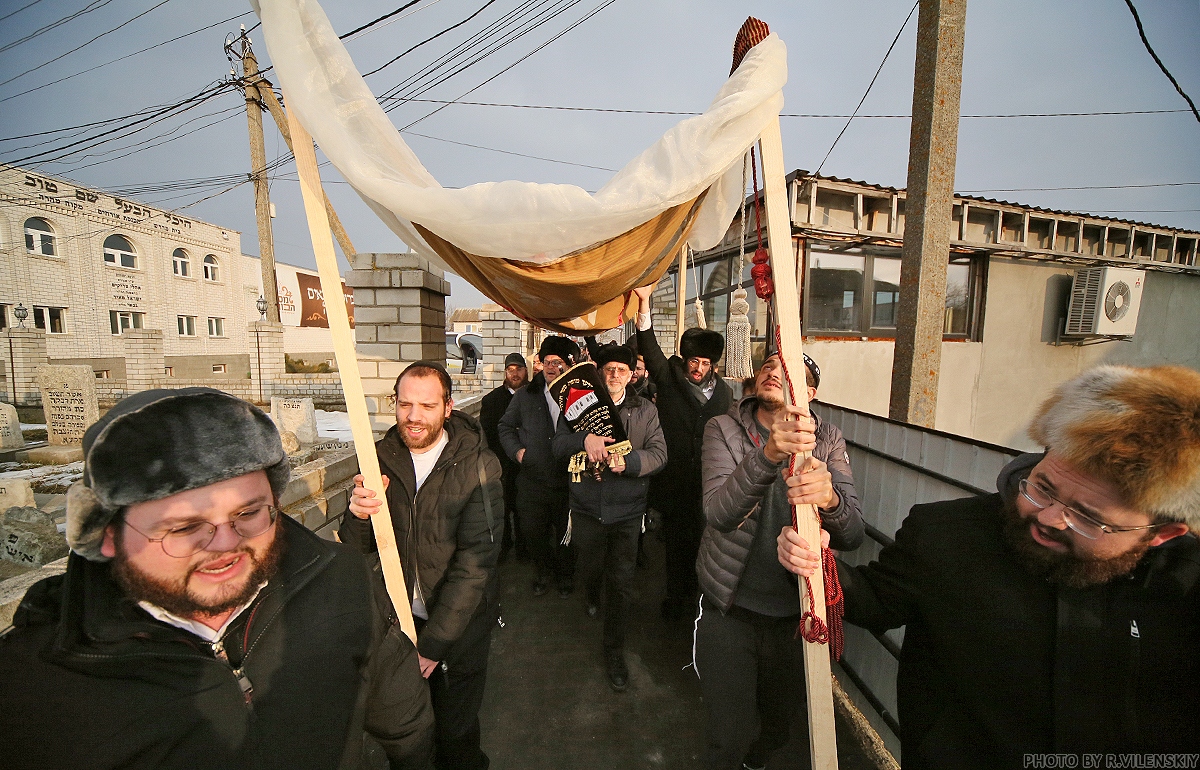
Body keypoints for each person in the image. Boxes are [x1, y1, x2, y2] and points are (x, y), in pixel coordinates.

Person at [778, 364, 1200, 767]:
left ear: (1161, 533)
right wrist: (818, 565)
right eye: (1042, 488)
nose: (1049, 518)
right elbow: (877, 600)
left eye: (1088, 517)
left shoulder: (1186, 592)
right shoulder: (947, 532)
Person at [0, 388, 434, 770]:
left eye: (248, 513)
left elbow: (401, 713)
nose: (226, 544)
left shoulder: (339, 580)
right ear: (107, 535)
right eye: (184, 527)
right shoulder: (34, 687)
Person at [696, 352, 863, 770]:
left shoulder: (828, 440)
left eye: (791, 373)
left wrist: (830, 498)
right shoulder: (723, 428)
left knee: (776, 723)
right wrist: (768, 454)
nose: (775, 372)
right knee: (727, 734)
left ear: (810, 394)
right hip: (730, 608)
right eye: (769, 365)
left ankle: (759, 755)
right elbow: (719, 513)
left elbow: (853, 532)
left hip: (796, 617)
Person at [341, 363, 502, 770]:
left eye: (427, 405)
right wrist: (358, 515)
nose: (413, 416)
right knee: (406, 738)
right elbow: (356, 550)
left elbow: (476, 564)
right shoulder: (379, 457)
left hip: (457, 631)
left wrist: (434, 645)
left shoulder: (478, 467)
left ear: (448, 407)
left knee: (455, 734)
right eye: (405, 404)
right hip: (396, 627)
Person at [551, 342, 667, 691]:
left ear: (632, 374)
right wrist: (583, 439)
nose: (615, 375)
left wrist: (629, 463)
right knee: (590, 566)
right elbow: (557, 446)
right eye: (609, 369)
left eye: (622, 370)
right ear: (599, 374)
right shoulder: (574, 407)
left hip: (627, 510)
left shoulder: (645, 410)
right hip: (587, 506)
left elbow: (659, 454)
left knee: (621, 583)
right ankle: (590, 591)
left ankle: (614, 650)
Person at [632, 284, 734, 619]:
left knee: (704, 548)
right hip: (673, 483)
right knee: (675, 548)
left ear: (712, 366)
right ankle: (676, 604)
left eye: (705, 362)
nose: (698, 367)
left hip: (707, 486)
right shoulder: (669, 377)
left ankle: (698, 605)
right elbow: (649, 345)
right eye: (694, 360)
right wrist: (644, 302)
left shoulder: (725, 395)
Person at [498, 336, 580, 598]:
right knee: (535, 533)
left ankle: (565, 576)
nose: (552, 367)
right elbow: (505, 427)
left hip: (568, 481)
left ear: (569, 364)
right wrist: (518, 452)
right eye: (547, 362)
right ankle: (543, 572)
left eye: (558, 362)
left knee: (567, 535)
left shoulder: (580, 394)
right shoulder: (525, 395)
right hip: (532, 482)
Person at [480, 352, 530, 562]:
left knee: (524, 509)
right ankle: (504, 546)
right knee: (503, 507)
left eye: (519, 369)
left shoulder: (535, 397)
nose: (515, 373)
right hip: (501, 464)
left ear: (526, 371)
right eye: (510, 369)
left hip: (527, 464)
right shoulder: (491, 400)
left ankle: (524, 549)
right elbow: (487, 433)